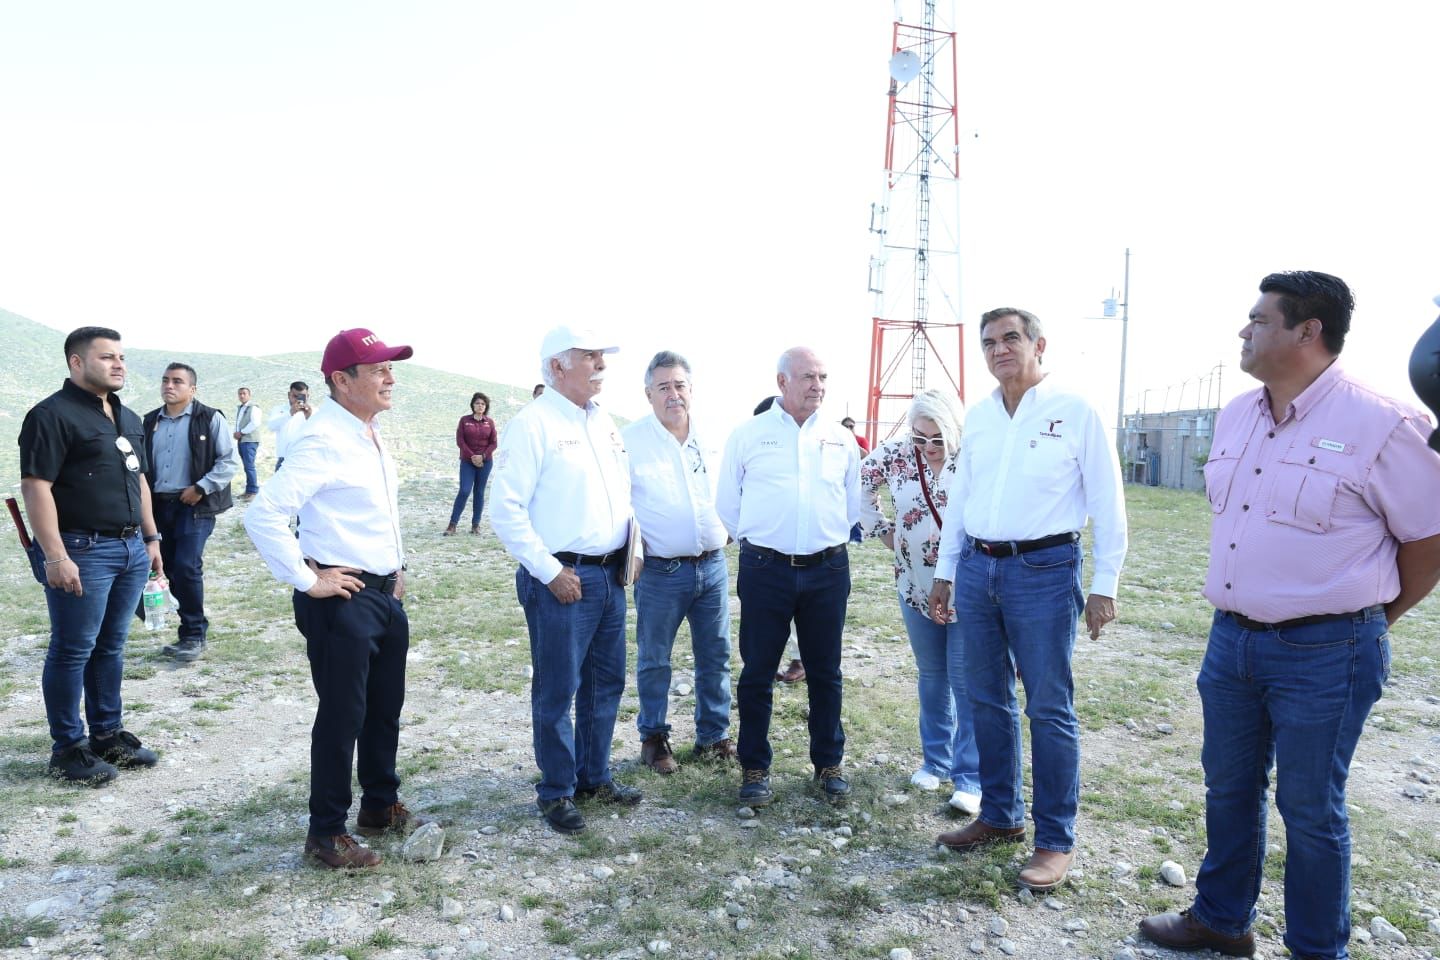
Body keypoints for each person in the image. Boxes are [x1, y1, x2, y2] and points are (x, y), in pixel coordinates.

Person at [1139, 272, 1440, 959]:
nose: (1243, 332)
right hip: (1231, 642)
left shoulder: (1385, 423)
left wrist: (1370, 620)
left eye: (1258, 320)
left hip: (1329, 651)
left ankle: (1315, 950)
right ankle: (1222, 920)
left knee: (1309, 809)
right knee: (1228, 788)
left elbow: (1430, 539)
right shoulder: (1236, 415)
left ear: (1308, 331)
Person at [928, 307, 1127, 893]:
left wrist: (1105, 584)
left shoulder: (1076, 411)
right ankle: (1000, 815)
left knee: (1048, 706)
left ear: (1040, 344)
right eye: (989, 342)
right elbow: (962, 498)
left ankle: (1055, 840)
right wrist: (945, 571)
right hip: (977, 568)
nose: (999, 350)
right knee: (986, 698)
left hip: (1044, 569)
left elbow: (1108, 500)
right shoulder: (980, 417)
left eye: (1011, 338)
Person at [244, 328, 430, 870]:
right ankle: (325, 834)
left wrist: (396, 568)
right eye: (378, 370)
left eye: (390, 369)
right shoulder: (323, 438)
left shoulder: (367, 433)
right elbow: (264, 513)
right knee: (342, 716)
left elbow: (371, 513)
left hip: (381, 593)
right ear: (341, 381)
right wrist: (307, 579)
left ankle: (379, 806)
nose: (390, 378)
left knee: (384, 709)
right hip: (342, 601)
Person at [491, 325, 643, 835]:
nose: (601, 364)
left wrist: (632, 549)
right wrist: (549, 570)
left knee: (606, 683)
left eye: (603, 355)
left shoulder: (604, 422)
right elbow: (505, 510)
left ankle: (593, 777)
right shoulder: (532, 424)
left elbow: (621, 495)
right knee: (558, 689)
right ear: (558, 365)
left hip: (609, 575)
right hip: (563, 577)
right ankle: (556, 790)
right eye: (590, 355)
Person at [19, 326, 164, 784]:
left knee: (111, 646)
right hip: (82, 549)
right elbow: (35, 486)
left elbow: (140, 480)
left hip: (129, 548)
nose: (118, 364)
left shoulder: (128, 417)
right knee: (72, 649)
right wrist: (55, 555)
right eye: (106, 357)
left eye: (121, 357)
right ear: (76, 362)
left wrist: (151, 538)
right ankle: (67, 749)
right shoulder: (51, 415)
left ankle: (107, 736)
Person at [716, 347, 861, 806]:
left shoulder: (841, 439)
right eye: (807, 377)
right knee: (758, 671)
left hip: (827, 569)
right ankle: (754, 767)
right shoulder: (749, 435)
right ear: (782, 381)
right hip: (766, 570)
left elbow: (851, 505)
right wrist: (766, 541)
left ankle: (828, 764)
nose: (818, 385)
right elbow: (728, 504)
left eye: (823, 377)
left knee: (825, 672)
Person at [859, 388, 980, 814]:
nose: (928, 447)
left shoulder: (974, 454)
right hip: (914, 585)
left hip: (967, 589)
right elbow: (859, 483)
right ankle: (936, 762)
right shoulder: (895, 454)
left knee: (965, 681)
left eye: (937, 439)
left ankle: (970, 777)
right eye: (919, 438)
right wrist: (883, 531)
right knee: (931, 675)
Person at [623, 351, 733, 774]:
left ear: (691, 389)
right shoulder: (630, 441)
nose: (674, 394)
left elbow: (731, 487)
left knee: (716, 654)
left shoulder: (712, 435)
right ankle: (653, 738)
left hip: (712, 565)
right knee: (655, 658)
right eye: (664, 387)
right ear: (648, 393)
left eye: (680, 385)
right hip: (660, 572)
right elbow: (619, 502)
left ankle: (713, 736)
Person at [138, 363, 239, 662]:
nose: (169, 386)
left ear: (192, 389)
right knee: (167, 567)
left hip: (194, 505)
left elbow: (228, 461)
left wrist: (201, 487)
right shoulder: (149, 421)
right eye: (165, 380)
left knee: (186, 566)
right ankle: (186, 631)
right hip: (158, 506)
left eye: (177, 381)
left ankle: (194, 635)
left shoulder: (209, 418)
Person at [754, 394, 805, 686]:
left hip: (803, 553)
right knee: (766, 615)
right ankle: (768, 662)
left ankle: (800, 659)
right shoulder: (754, 449)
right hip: (763, 554)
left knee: (798, 614)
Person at [445, 391, 498, 536]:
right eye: (477, 403)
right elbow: (460, 441)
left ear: (486, 406)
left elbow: (494, 443)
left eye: (483, 404)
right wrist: (473, 456)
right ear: (473, 405)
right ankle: (452, 525)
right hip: (467, 461)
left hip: (485, 462)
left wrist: (483, 456)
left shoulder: (489, 422)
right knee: (464, 490)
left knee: (479, 492)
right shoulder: (464, 420)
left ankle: (476, 525)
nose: (480, 406)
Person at [267, 380, 313, 470]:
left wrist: (309, 418)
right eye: (295, 396)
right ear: (289, 395)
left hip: (306, 459)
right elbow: (271, 427)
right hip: (284, 458)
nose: (298, 399)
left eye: (302, 396)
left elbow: (320, 434)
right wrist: (289, 413)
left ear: (308, 396)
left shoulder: (314, 411)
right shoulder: (278, 409)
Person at [234, 386, 262, 499]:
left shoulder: (254, 408)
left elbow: (255, 423)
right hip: (242, 440)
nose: (242, 396)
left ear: (249, 395)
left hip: (250, 440)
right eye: (240, 394)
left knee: (249, 466)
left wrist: (241, 432)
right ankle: (249, 490)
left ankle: (253, 491)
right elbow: (239, 422)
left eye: (244, 393)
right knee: (246, 466)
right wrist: (236, 432)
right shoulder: (241, 408)